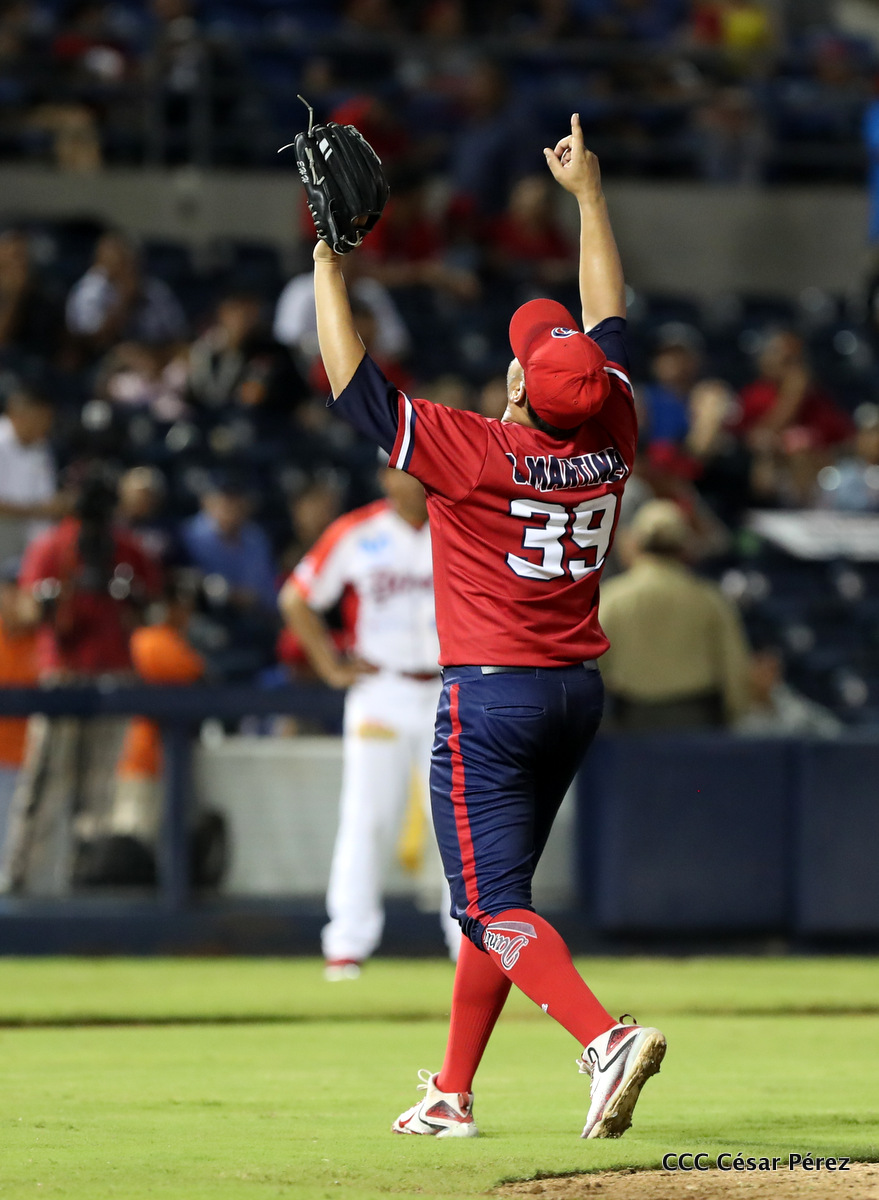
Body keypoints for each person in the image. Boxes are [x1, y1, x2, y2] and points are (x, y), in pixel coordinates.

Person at [311, 114, 666, 1140]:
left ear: (516, 385)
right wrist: (589, 197)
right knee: (500, 897)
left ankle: (603, 1040)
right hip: (573, 696)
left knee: (483, 906)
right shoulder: (614, 428)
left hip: (490, 701)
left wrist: (329, 260)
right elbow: (607, 313)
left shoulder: (473, 451)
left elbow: (351, 383)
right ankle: (451, 1091)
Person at [279, 464, 461, 979]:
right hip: (381, 688)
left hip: (448, 689)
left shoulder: (460, 524)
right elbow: (296, 597)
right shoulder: (357, 532)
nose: (416, 479)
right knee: (368, 816)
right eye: (405, 470)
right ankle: (346, 944)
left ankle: (469, 942)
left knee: (456, 821)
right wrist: (329, 666)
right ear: (386, 478)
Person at [599, 499, 750, 731]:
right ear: (685, 548)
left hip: (632, 726)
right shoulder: (710, 600)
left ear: (634, 544)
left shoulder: (612, 599)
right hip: (698, 723)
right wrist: (734, 716)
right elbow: (734, 671)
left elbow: (589, 669)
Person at [0, 387, 68, 562]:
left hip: (31, 535)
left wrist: (60, 504)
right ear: (17, 415)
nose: (46, 425)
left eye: (48, 418)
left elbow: (47, 498)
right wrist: (38, 510)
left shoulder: (41, 446)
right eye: (39, 418)